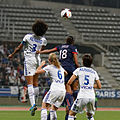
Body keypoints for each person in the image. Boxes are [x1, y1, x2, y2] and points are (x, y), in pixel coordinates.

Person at [8, 19, 48, 116]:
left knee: (29, 83)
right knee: (35, 83)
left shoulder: (27, 37)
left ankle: (33, 104)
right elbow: (41, 49)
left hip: (29, 60)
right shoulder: (43, 40)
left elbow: (19, 48)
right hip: (37, 60)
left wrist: (12, 55)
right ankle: (37, 101)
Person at [37, 36, 80, 120]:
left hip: (61, 68)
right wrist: (78, 69)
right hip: (70, 69)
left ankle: (65, 113)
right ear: (72, 42)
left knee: (65, 89)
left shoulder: (60, 47)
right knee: (72, 89)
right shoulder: (72, 48)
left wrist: (40, 52)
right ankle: (71, 113)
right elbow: (75, 61)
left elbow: (49, 51)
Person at [67, 54, 101, 120]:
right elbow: (99, 86)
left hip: (82, 95)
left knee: (71, 114)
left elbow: (69, 82)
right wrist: (90, 86)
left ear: (82, 62)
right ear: (91, 62)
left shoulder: (79, 70)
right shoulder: (94, 72)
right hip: (91, 97)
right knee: (90, 116)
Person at [35, 53, 67, 120]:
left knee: (44, 105)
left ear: (49, 60)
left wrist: (41, 65)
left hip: (55, 89)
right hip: (63, 91)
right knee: (53, 109)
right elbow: (66, 73)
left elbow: (37, 72)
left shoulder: (49, 67)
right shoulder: (60, 67)